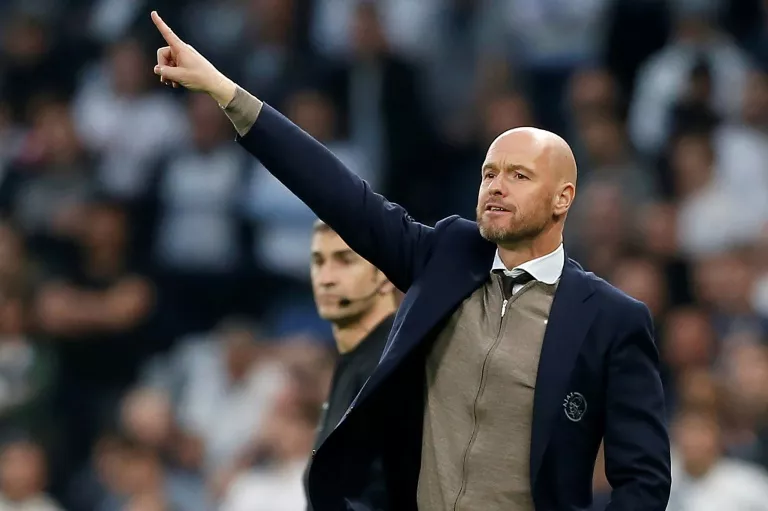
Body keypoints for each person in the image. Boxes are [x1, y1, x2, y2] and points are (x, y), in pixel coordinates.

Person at [150, 11, 671, 511]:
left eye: (519, 176)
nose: (496, 186)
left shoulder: (611, 319)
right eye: (489, 173)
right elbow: (339, 194)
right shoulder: (448, 254)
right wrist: (225, 92)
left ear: (563, 198)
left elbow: (644, 482)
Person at [305, 219, 397, 510]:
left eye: (345, 261)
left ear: (386, 274)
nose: (326, 278)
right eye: (318, 261)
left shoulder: (392, 367)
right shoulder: (356, 357)